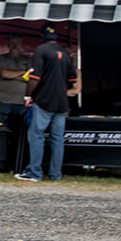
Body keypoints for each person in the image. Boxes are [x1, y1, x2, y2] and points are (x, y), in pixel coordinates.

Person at [15, 23, 77, 183]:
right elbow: (73, 80)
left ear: (42, 36)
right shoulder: (65, 52)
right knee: (57, 139)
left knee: (37, 136)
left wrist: (28, 96)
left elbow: (35, 78)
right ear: (56, 36)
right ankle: (55, 174)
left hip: (44, 101)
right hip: (62, 102)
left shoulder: (41, 50)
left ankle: (34, 173)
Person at [0, 34, 32, 160]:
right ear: (8, 43)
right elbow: (4, 73)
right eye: (11, 41)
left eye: (16, 41)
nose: (14, 44)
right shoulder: (1, 58)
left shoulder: (28, 59)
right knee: (2, 134)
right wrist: (23, 73)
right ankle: (1, 161)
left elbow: (32, 78)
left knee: (23, 135)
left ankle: (20, 161)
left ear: (21, 41)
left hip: (23, 103)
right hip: (5, 102)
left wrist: (13, 74)